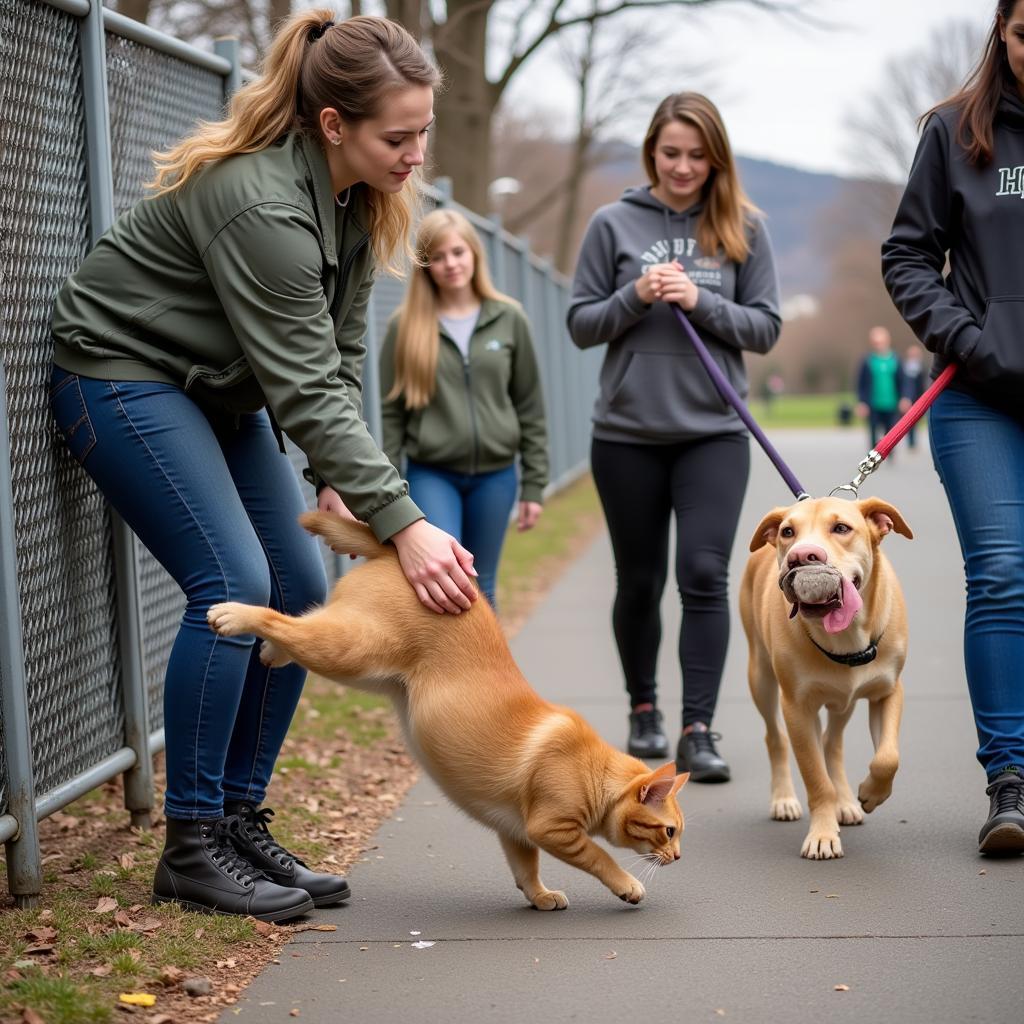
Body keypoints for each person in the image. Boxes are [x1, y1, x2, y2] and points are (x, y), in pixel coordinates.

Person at [48, 11, 480, 922]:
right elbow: (305, 386)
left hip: (221, 390)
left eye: (422, 133)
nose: (414, 154)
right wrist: (405, 524)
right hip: (123, 374)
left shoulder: (361, 199)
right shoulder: (263, 205)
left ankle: (240, 820)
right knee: (233, 582)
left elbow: (335, 353)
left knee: (295, 589)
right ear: (335, 125)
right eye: (396, 137)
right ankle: (192, 845)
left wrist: (342, 476)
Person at [567, 92, 781, 782]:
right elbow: (580, 323)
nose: (684, 166)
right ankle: (644, 710)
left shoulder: (743, 226)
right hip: (626, 434)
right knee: (639, 581)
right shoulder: (612, 223)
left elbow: (766, 328)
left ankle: (698, 729)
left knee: (702, 574)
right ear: (651, 153)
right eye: (671, 153)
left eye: (697, 155)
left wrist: (701, 300)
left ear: (715, 158)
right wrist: (635, 296)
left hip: (713, 433)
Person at [882, 0, 1024, 855]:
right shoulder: (953, 132)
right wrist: (968, 341)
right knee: (1004, 572)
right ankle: (1010, 779)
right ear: (1002, 36)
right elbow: (906, 255)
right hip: (981, 397)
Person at [379, 209, 549, 609]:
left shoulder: (509, 319)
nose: (450, 264)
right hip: (433, 474)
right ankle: (440, 670)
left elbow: (530, 405)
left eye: (458, 252)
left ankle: (484, 672)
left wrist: (535, 485)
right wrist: (386, 493)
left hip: (497, 476)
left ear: (474, 254)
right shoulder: (405, 326)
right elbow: (391, 414)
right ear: (426, 265)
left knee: (481, 580)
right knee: (445, 576)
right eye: (437, 256)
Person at [855, 326, 911, 450]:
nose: (878, 345)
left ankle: (889, 453)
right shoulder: (867, 360)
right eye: (875, 342)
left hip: (891, 403)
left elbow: (904, 381)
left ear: (887, 341)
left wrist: (905, 397)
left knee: (890, 431)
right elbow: (860, 384)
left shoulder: (896, 359)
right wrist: (861, 402)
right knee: (873, 431)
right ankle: (873, 455)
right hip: (873, 404)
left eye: (881, 342)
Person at [901, 343, 928, 448]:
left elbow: (924, 382)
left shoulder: (922, 368)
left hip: (919, 397)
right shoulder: (904, 367)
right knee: (909, 420)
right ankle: (911, 442)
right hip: (908, 398)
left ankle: (913, 441)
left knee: (915, 421)